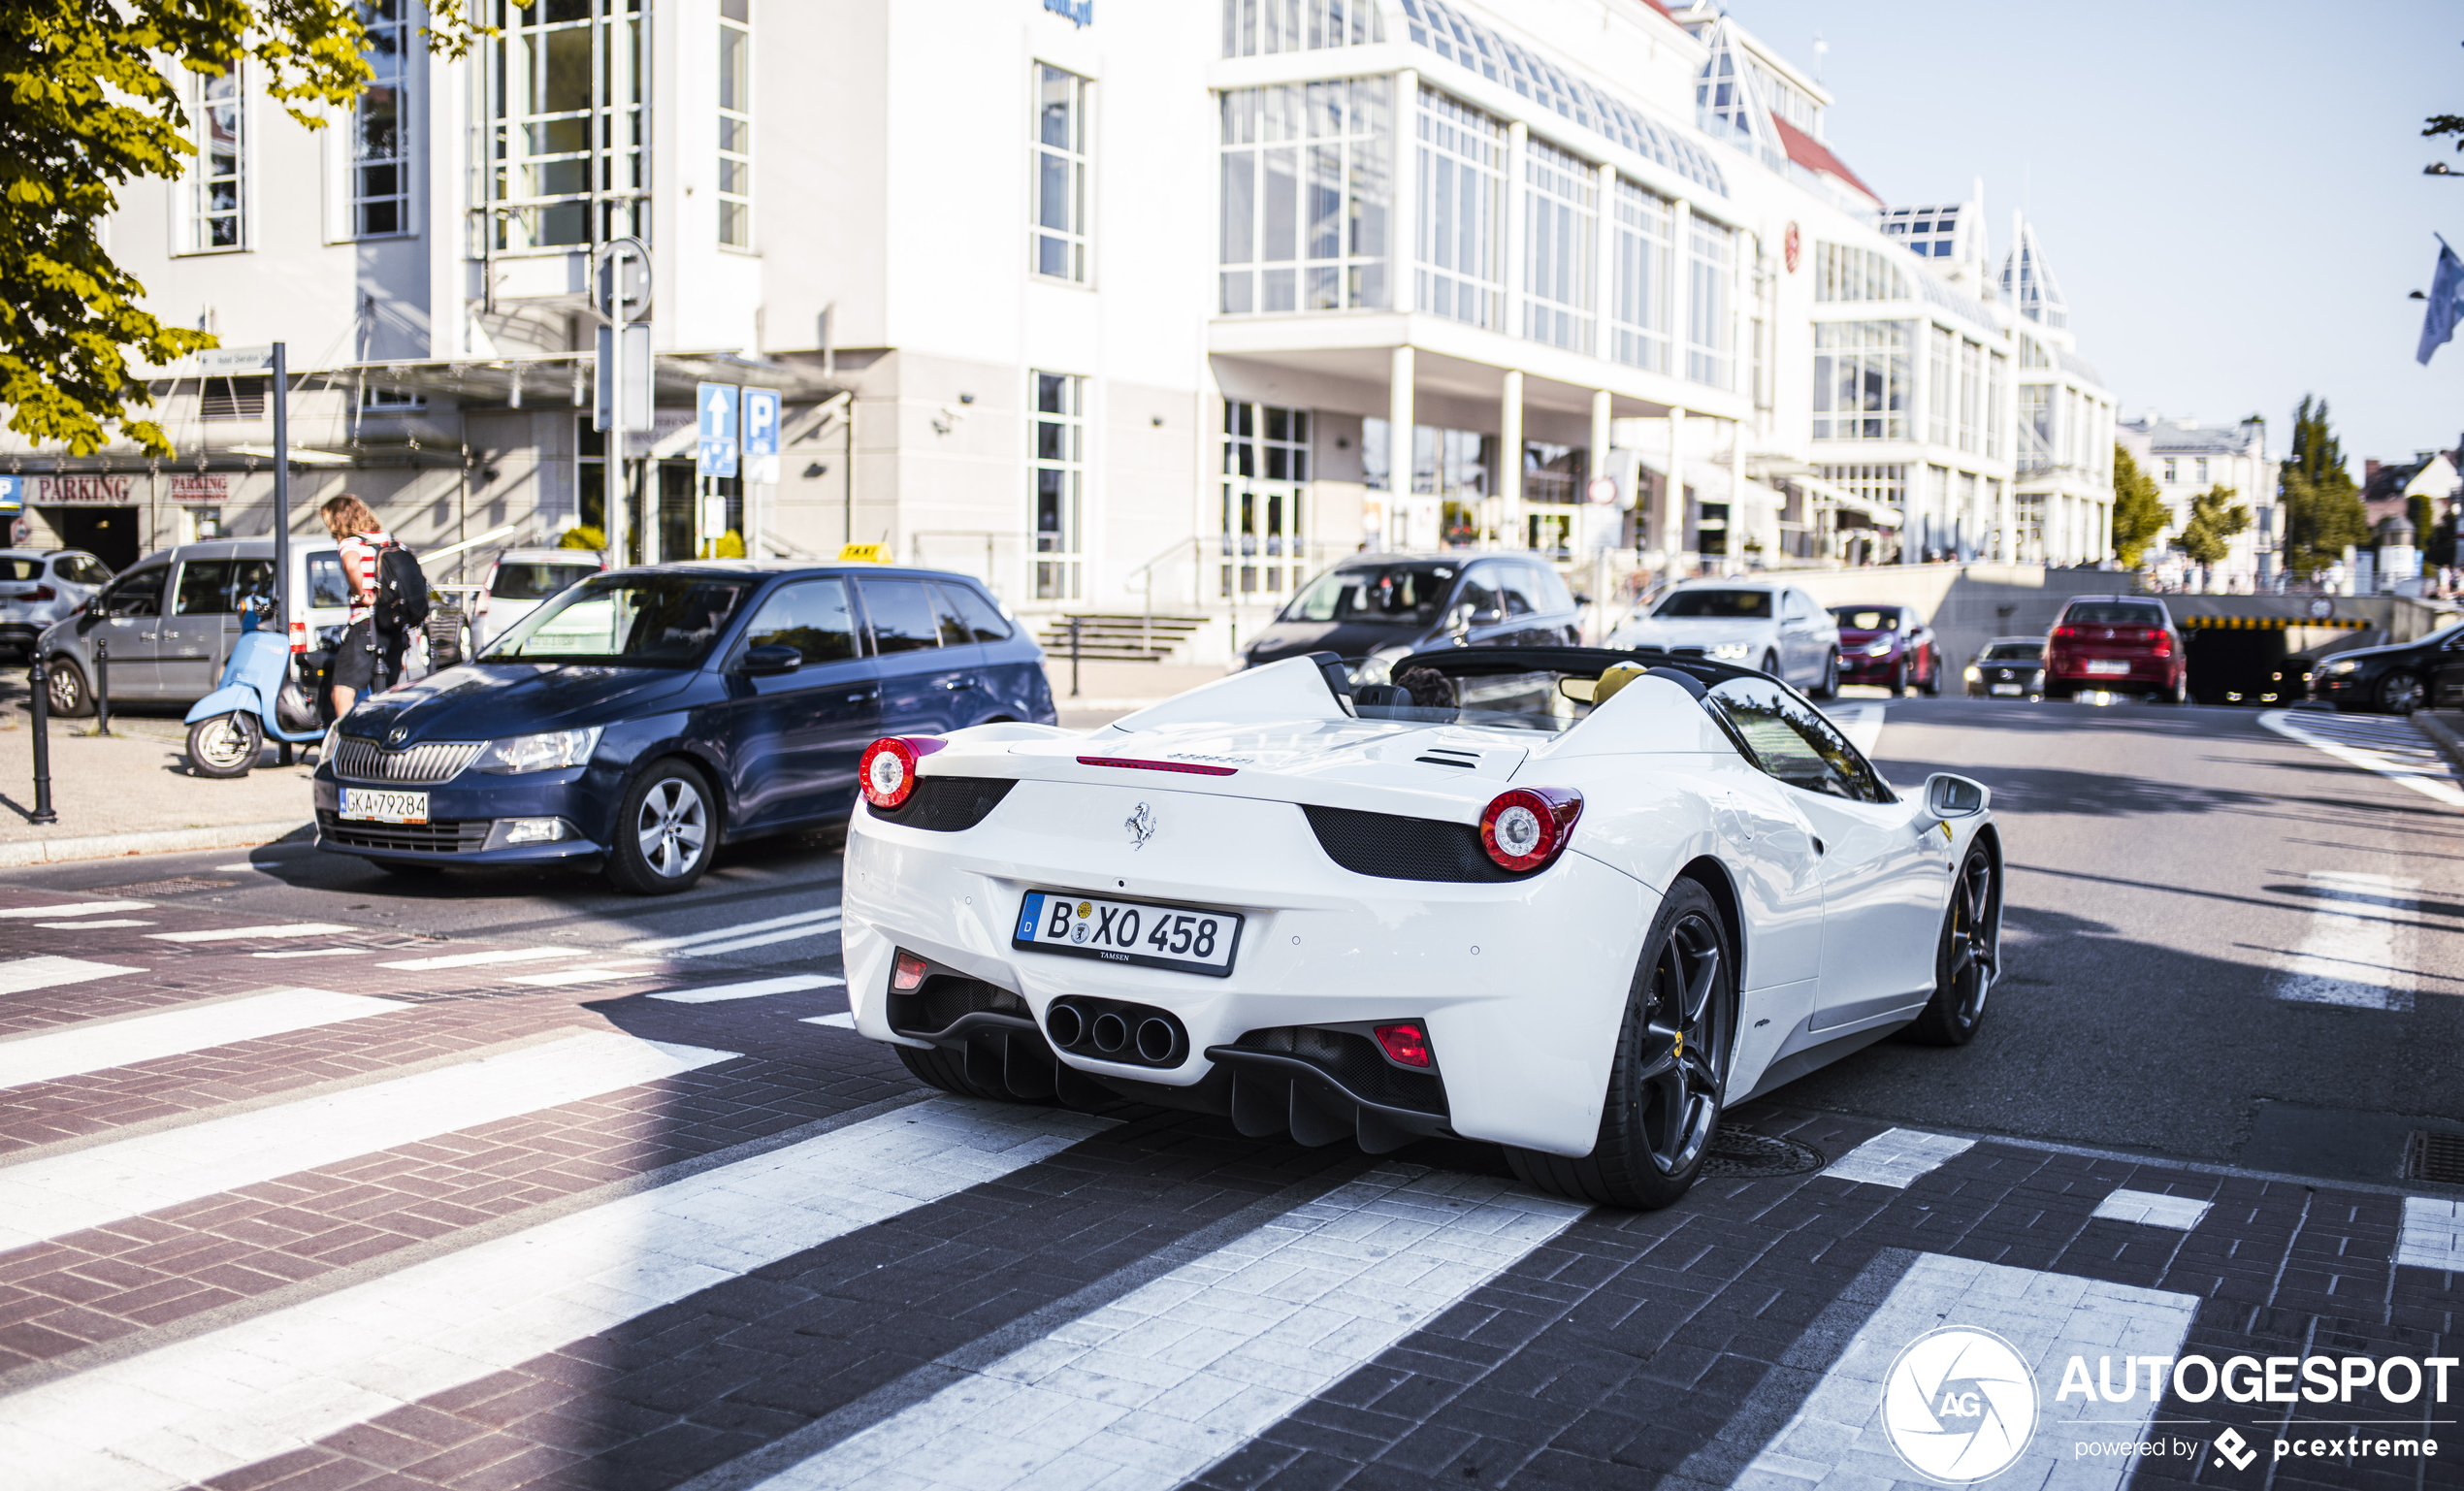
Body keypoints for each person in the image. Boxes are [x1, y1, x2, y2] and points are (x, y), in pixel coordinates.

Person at [320, 495, 403, 721]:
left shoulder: (351, 543)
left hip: (366, 625)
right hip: (394, 627)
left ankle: (344, 746)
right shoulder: (391, 541)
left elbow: (351, 563)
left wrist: (360, 593)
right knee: (385, 692)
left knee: (342, 691)